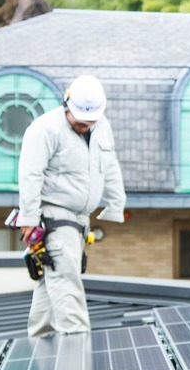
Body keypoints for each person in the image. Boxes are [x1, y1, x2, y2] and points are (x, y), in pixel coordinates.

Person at [16, 74, 126, 337]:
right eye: (79, 122)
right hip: (55, 218)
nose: (84, 127)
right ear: (66, 105)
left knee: (51, 282)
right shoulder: (45, 129)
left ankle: (40, 343)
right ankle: (77, 352)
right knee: (67, 283)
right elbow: (30, 174)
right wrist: (28, 219)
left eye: (90, 123)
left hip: (80, 219)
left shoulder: (101, 126)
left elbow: (109, 166)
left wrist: (115, 204)